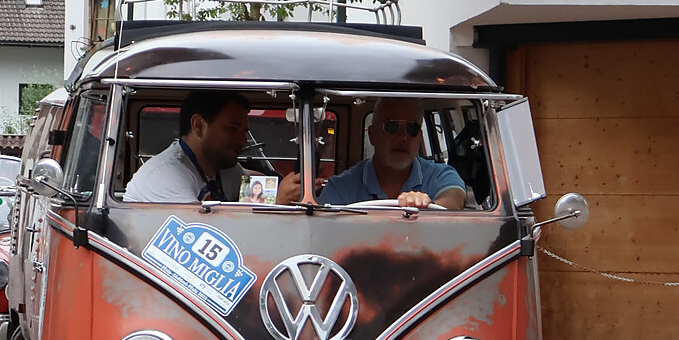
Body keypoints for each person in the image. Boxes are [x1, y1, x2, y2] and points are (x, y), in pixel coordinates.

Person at [277, 98, 466, 210]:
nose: (402, 137)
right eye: (391, 126)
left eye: (411, 128)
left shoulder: (440, 175)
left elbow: (455, 199)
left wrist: (429, 205)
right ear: (373, 135)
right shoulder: (341, 188)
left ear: (419, 137)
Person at [123, 92, 251, 203]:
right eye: (232, 129)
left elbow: (255, 182)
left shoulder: (220, 166)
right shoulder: (167, 175)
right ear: (199, 126)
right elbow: (199, 228)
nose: (243, 140)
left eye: (244, 132)